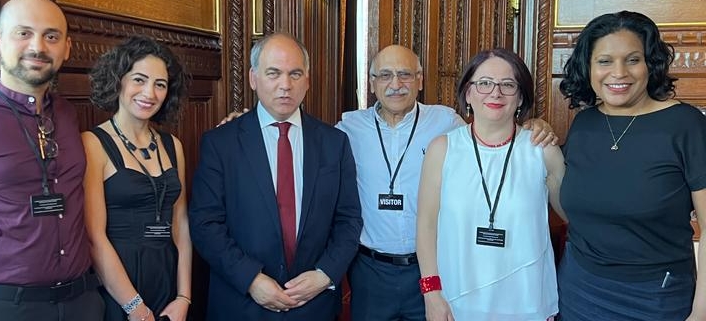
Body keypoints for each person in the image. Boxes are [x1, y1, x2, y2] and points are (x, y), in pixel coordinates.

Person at [336, 44, 558, 321]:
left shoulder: (445, 122)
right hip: (371, 269)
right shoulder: (347, 130)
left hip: (435, 267)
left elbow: (492, 130)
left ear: (420, 80)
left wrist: (536, 125)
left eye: (405, 74)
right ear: (371, 83)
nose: (396, 84)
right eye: (385, 75)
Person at [0, 0, 104, 320]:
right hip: (1, 307)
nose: (37, 46)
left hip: (82, 301)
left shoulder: (67, 114)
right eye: (23, 33)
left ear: (67, 48)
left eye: (51, 36)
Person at [188, 33, 363, 321]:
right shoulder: (220, 143)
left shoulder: (335, 143)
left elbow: (349, 219)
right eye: (274, 73)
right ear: (253, 78)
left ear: (307, 80)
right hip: (242, 303)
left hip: (314, 305)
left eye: (295, 74)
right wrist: (251, 280)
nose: (285, 85)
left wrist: (325, 274)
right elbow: (205, 223)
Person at [557, 10, 706, 321]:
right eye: (605, 61)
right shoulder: (585, 124)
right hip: (579, 287)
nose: (619, 72)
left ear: (650, 64)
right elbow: (569, 203)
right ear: (589, 67)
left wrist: (701, 311)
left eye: (633, 59)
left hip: (657, 296)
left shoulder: (686, 125)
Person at [414, 48, 564, 321]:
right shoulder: (442, 149)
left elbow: (572, 213)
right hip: (456, 301)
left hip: (527, 302)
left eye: (508, 85)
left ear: (520, 97)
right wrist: (431, 293)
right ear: (468, 93)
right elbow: (426, 226)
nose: (495, 93)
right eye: (484, 83)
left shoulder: (542, 150)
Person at [82, 36, 192, 321]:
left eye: (160, 84)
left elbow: (180, 224)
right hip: (118, 288)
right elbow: (94, 237)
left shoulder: (173, 145)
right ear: (119, 80)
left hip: (167, 280)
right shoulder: (92, 144)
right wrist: (134, 307)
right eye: (139, 80)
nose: (150, 93)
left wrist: (184, 297)